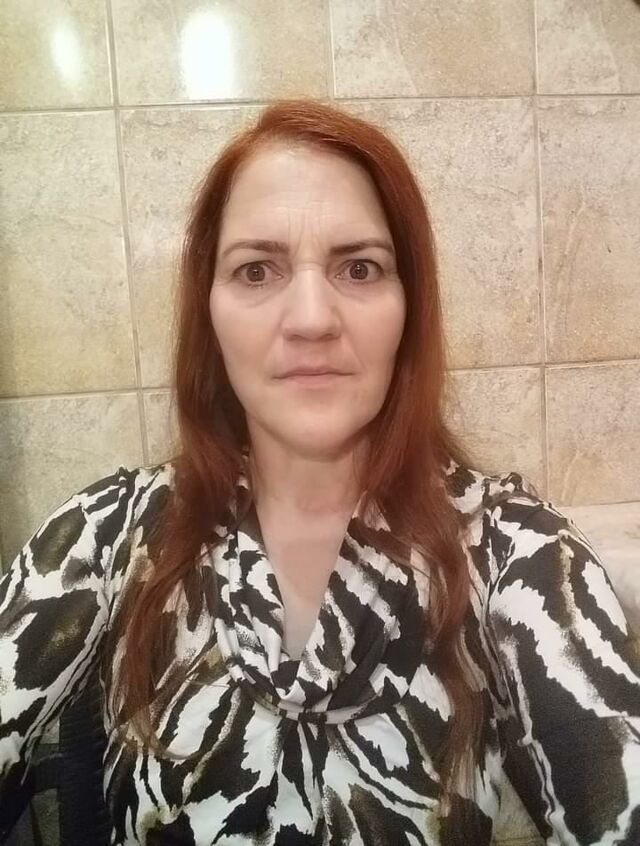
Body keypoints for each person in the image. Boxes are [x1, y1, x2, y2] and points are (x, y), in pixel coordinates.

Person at [0, 99, 638, 846]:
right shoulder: (106, 536)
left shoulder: (512, 550)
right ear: (209, 312)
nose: (311, 318)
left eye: (359, 268)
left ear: (409, 308)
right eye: (256, 270)